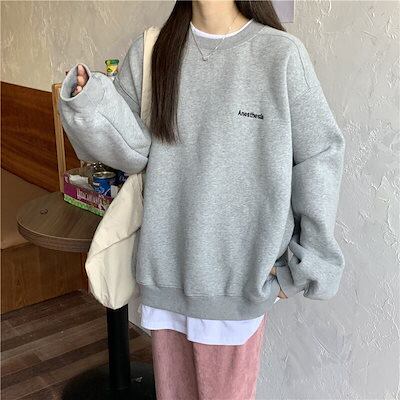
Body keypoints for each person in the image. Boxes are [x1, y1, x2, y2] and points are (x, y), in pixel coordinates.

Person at [58, 1, 346, 399]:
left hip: (237, 287)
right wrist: (90, 102)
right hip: (166, 277)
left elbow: (320, 155)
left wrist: (305, 264)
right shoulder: (152, 51)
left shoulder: (279, 54)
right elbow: (129, 151)